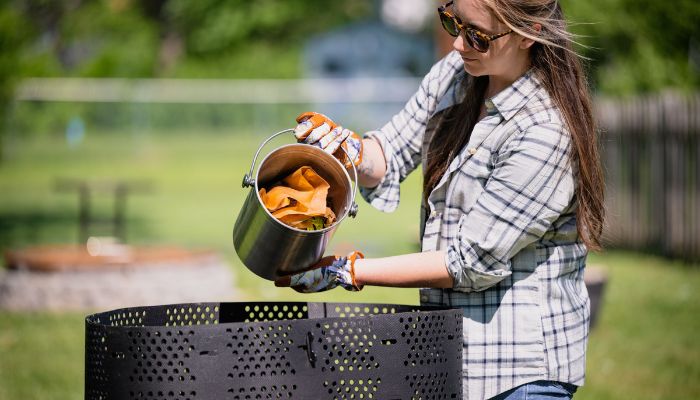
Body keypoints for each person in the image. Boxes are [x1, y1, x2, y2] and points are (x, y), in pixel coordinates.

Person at [276, 0, 605, 398]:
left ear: (528, 33)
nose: (458, 44)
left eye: (478, 36)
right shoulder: (458, 73)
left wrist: (347, 272)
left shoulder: (544, 131)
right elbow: (391, 153)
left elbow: (467, 262)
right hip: (448, 354)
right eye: (453, 21)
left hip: (519, 371)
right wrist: (351, 149)